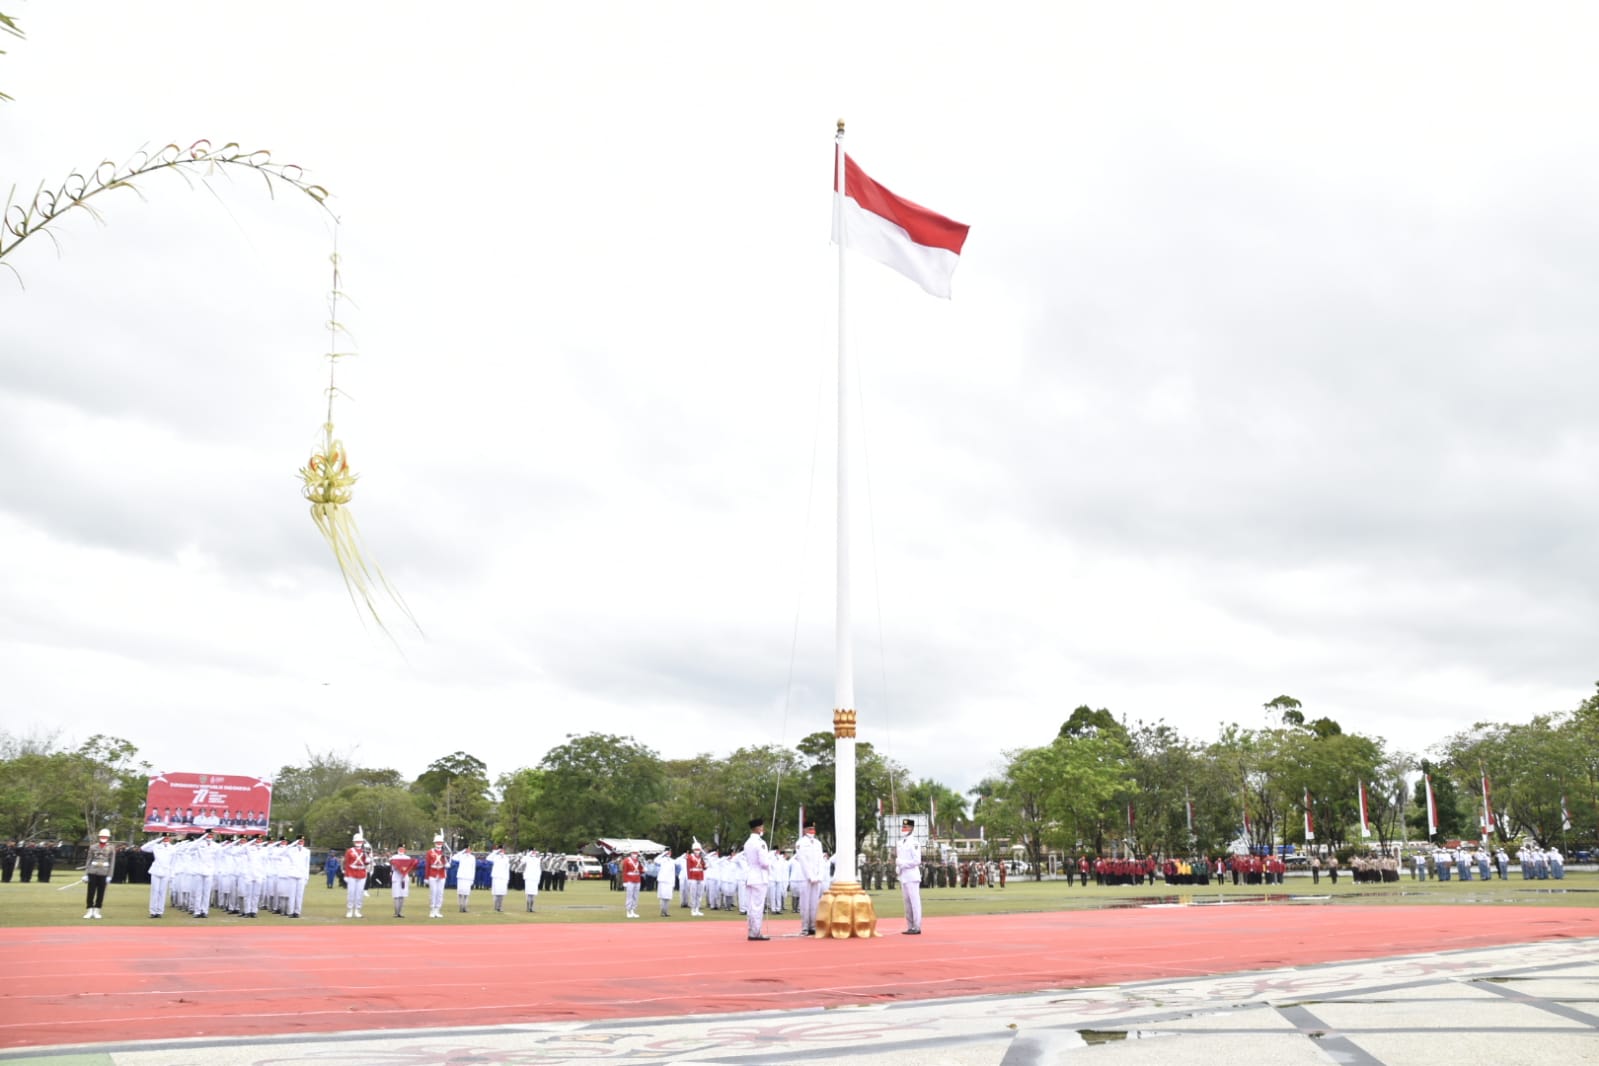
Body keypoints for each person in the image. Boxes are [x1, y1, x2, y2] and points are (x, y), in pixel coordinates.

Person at [794, 820, 826, 936]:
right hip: (805, 877)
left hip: (817, 877)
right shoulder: (800, 843)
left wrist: (819, 875)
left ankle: (813, 925)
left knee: (815, 903)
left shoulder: (818, 843)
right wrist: (810, 876)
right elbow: (803, 861)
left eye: (813, 829)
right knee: (805, 903)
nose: (812, 831)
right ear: (804, 830)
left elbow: (821, 861)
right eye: (809, 829)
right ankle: (805, 927)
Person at [742, 817, 773, 940]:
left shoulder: (748, 842)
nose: (763, 829)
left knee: (751, 906)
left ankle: (752, 930)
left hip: (750, 875)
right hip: (759, 876)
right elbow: (764, 862)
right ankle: (755, 932)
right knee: (757, 906)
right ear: (758, 828)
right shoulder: (760, 843)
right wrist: (770, 863)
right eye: (762, 827)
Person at [895, 818, 922, 935]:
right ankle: (910, 926)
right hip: (903, 876)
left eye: (905, 827)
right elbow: (899, 858)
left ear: (911, 828)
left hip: (912, 876)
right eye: (903, 827)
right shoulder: (900, 843)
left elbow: (917, 861)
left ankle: (917, 926)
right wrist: (898, 867)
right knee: (907, 904)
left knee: (914, 903)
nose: (903, 829)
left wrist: (903, 864)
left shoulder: (914, 842)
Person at [83, 829, 116, 919]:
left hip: (104, 872)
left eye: (105, 836)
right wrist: (85, 874)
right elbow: (88, 860)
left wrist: (110, 875)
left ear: (108, 837)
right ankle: (89, 910)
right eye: (102, 836)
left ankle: (97, 910)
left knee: (101, 892)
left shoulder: (111, 848)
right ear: (99, 837)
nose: (103, 838)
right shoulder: (93, 847)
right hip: (92, 871)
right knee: (90, 892)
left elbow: (112, 862)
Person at [141, 833, 175, 918]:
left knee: (162, 892)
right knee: (155, 891)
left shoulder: (173, 848)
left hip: (166, 871)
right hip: (156, 870)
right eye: (164, 837)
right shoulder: (156, 846)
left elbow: (173, 862)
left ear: (170, 838)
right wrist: (157, 840)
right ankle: (153, 912)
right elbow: (143, 848)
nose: (166, 839)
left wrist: (172, 874)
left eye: (167, 837)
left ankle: (160, 912)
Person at [342, 830, 369, 918]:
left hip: (361, 874)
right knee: (351, 893)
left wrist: (368, 857)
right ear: (354, 842)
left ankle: (357, 910)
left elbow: (367, 863)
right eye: (357, 841)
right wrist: (346, 875)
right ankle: (349, 910)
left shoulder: (365, 851)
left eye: (360, 841)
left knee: (359, 893)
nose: (358, 842)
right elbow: (346, 863)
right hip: (351, 874)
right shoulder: (350, 851)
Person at [389, 845, 418, 918]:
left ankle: (400, 912)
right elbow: (393, 868)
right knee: (396, 895)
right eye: (400, 848)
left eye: (403, 849)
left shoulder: (407, 858)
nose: (401, 850)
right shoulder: (394, 857)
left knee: (402, 895)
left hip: (404, 877)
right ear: (398, 849)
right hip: (396, 876)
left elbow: (411, 867)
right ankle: (396, 912)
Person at [425, 834, 450, 919]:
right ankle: (432, 910)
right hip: (432, 873)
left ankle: (437, 910)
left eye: (440, 842)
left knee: (440, 893)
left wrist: (447, 864)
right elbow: (427, 865)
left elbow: (447, 862)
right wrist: (426, 877)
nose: (439, 843)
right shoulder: (430, 852)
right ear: (435, 843)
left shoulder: (444, 852)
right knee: (433, 892)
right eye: (437, 842)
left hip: (442, 874)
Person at [684, 843, 707, 916]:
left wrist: (705, 864)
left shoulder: (701, 858)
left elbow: (704, 867)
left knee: (699, 894)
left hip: (700, 876)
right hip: (693, 877)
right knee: (693, 894)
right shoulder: (690, 857)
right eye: (696, 849)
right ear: (693, 850)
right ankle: (693, 909)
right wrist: (689, 878)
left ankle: (697, 909)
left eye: (698, 850)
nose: (697, 851)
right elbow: (688, 867)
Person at [453, 846, 476, 912]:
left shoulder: (472, 857)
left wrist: (472, 879)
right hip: (461, 876)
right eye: (467, 849)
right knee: (460, 893)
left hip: (468, 877)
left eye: (469, 849)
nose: (468, 850)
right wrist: (462, 851)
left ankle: (465, 907)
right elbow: (454, 857)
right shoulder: (461, 856)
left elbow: (473, 868)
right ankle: (460, 906)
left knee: (466, 894)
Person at [621, 850, 643, 918]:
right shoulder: (627, 860)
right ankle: (628, 911)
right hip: (629, 879)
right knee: (629, 896)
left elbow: (640, 870)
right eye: (634, 853)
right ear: (631, 854)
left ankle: (633, 910)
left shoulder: (638, 860)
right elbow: (624, 871)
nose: (635, 855)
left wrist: (643, 868)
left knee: (636, 896)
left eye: (636, 854)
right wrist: (625, 881)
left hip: (637, 879)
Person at [655, 847, 677, 917]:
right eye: (668, 852)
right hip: (663, 881)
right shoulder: (662, 860)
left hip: (670, 881)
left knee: (668, 897)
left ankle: (666, 911)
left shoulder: (672, 861)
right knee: (663, 897)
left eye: (670, 852)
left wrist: (673, 882)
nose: (669, 853)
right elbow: (655, 860)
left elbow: (673, 872)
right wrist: (663, 854)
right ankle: (662, 911)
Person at [488, 845, 511, 912]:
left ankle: (499, 907)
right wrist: (496, 851)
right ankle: (495, 907)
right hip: (496, 877)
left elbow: (507, 869)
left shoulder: (506, 858)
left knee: (502, 893)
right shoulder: (495, 857)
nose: (502, 851)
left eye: (503, 849)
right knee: (496, 893)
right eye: (501, 849)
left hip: (504, 877)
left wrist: (507, 878)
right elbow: (488, 858)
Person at [522, 847, 540, 912]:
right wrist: (528, 853)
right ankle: (528, 908)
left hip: (534, 878)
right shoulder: (528, 858)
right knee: (530, 894)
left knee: (532, 894)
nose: (534, 853)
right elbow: (523, 860)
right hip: (529, 878)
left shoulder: (537, 860)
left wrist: (538, 879)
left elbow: (539, 870)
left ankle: (530, 908)